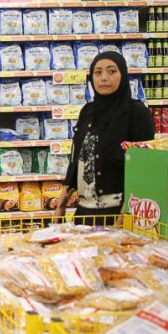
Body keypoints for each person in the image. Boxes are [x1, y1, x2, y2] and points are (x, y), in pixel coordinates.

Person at [55, 52, 154, 220]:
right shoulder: (87, 111)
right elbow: (76, 160)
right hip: (83, 212)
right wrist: (61, 205)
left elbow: (143, 168)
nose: (104, 78)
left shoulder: (136, 113)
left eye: (112, 71)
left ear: (123, 75)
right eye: (98, 72)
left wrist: (126, 213)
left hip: (118, 213)